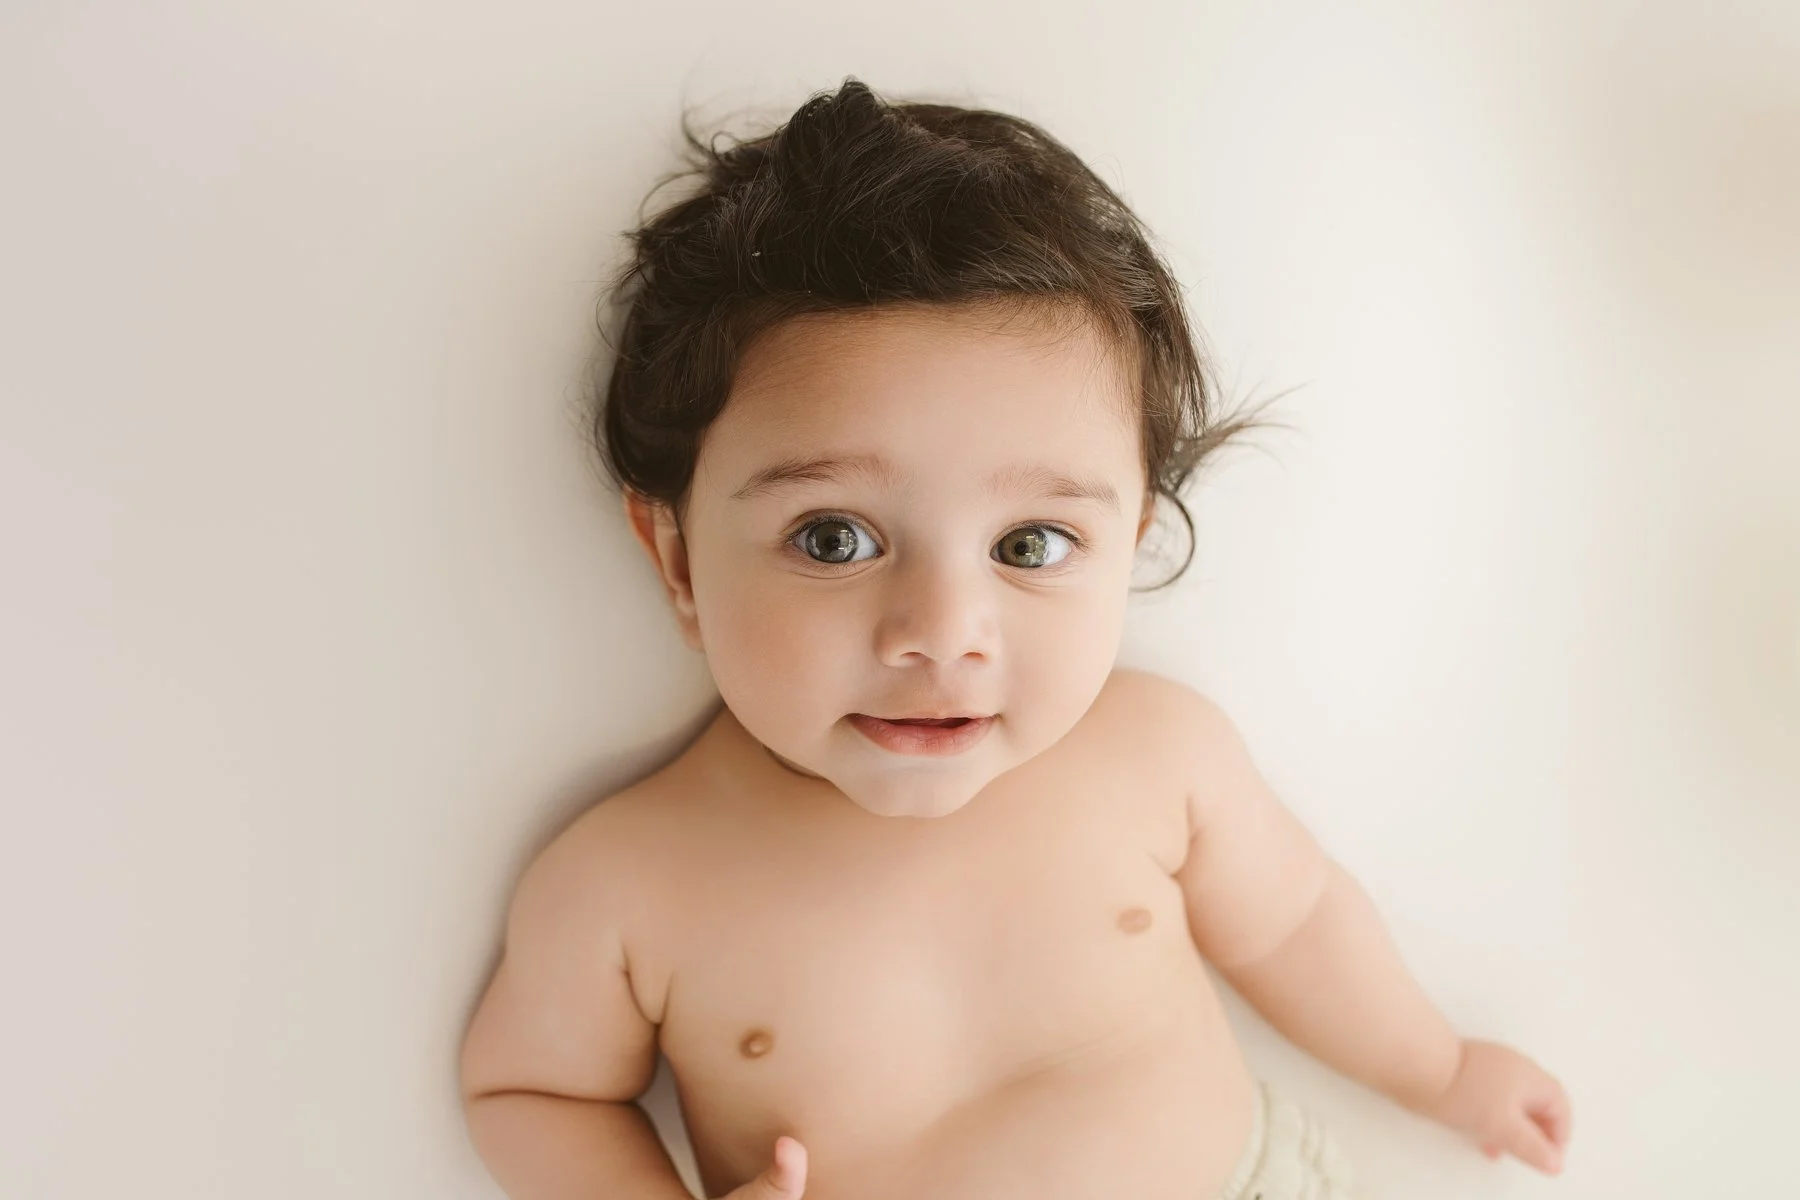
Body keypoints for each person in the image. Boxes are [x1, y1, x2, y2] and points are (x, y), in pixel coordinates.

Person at [458, 76, 1573, 1200]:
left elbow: (1293, 921)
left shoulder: (1156, 757)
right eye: (834, 538)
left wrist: (1440, 1068)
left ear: (1129, 544)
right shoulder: (629, 884)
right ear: (680, 560)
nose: (941, 634)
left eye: (1031, 545)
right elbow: (532, 1091)